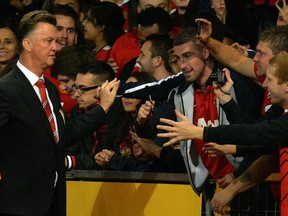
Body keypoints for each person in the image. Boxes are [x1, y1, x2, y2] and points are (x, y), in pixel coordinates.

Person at [0, 10, 119, 216]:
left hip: (52, 202)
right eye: (48, 41)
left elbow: (63, 133)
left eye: (55, 41)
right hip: (16, 206)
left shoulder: (50, 90)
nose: (55, 47)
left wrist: (102, 108)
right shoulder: (6, 89)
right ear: (27, 45)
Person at [156, 52, 288, 215]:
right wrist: (226, 101)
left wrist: (200, 132)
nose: (265, 84)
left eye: (270, 79)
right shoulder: (281, 115)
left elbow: (255, 133)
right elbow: (262, 141)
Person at [95, 72, 157, 171]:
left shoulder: (156, 121)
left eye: (133, 91)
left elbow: (149, 168)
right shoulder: (118, 119)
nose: (127, 96)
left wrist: (115, 160)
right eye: (126, 90)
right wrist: (102, 156)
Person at [109, 6, 172, 80]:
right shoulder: (130, 64)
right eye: (141, 42)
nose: (145, 45)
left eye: (152, 39)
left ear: (170, 36)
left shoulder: (180, 65)